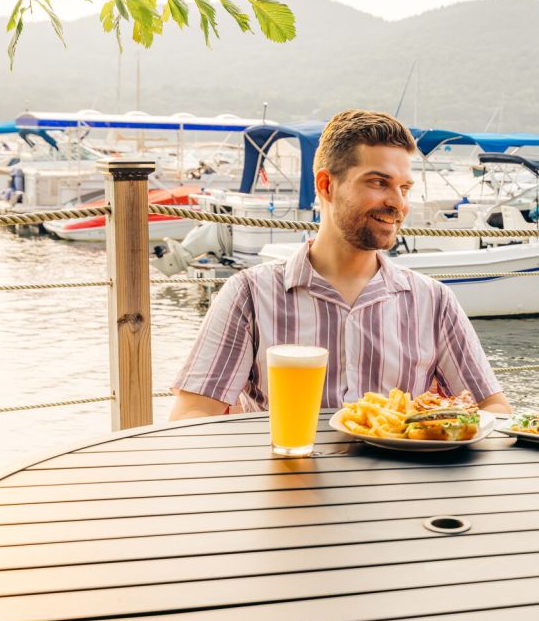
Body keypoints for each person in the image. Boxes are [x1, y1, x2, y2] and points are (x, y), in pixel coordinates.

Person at [169, 109, 511, 419]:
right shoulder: (250, 293)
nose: (398, 203)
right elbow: (194, 412)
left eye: (404, 187)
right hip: (287, 480)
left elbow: (492, 406)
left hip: (400, 484)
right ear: (326, 185)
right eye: (379, 182)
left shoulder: (433, 301)